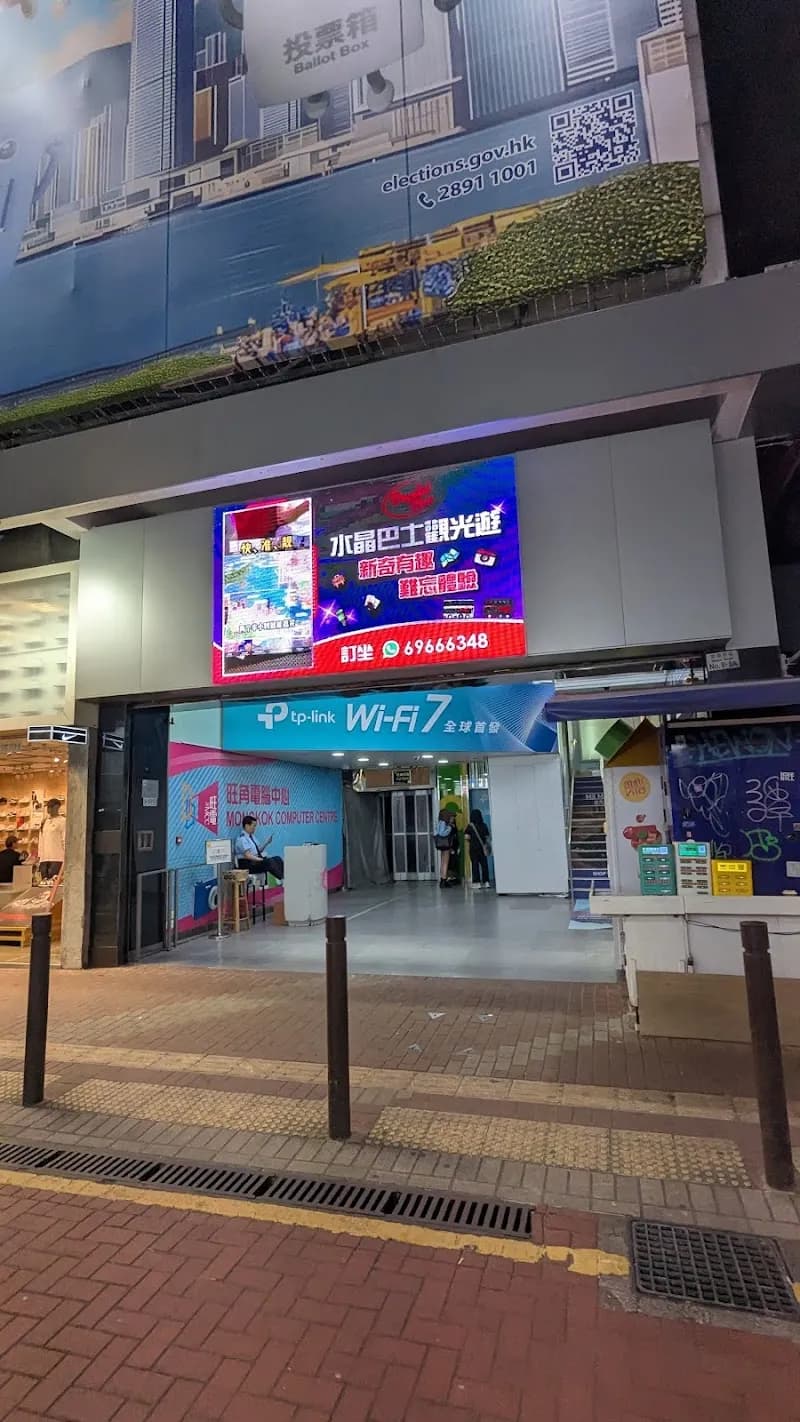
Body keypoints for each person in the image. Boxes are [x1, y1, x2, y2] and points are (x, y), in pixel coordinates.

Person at [235, 814, 284, 880]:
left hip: (255, 861)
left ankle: (284, 876)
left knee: (277, 859)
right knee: (268, 862)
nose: (255, 828)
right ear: (247, 826)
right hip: (248, 864)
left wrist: (267, 843)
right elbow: (247, 855)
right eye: (254, 826)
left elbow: (258, 850)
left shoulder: (252, 837)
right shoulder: (242, 839)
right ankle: (282, 878)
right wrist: (261, 860)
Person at [38, 798, 65, 881]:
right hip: (44, 859)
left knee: (55, 882)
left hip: (57, 858)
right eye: (48, 807)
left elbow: (64, 839)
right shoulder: (44, 821)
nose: (49, 809)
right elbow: (41, 840)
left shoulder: (63, 821)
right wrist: (40, 856)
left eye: (51, 807)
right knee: (43, 883)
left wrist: (66, 856)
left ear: (57, 807)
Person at [465, 809, 491, 889]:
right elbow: (487, 837)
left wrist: (471, 840)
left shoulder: (470, 826)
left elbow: (467, 837)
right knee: (484, 865)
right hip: (482, 848)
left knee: (475, 865)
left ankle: (477, 883)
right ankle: (486, 882)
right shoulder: (484, 825)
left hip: (473, 848)